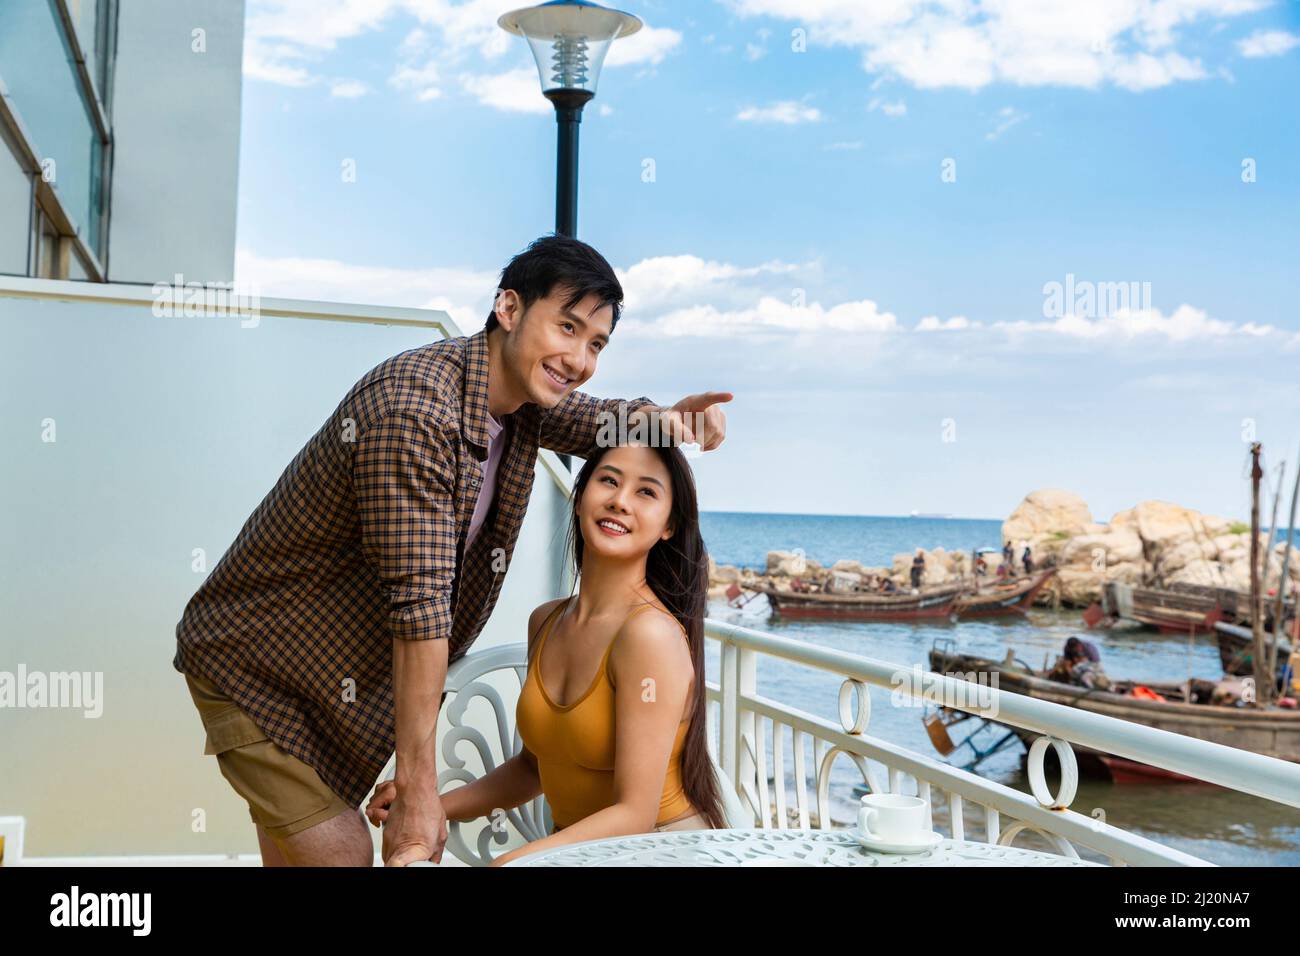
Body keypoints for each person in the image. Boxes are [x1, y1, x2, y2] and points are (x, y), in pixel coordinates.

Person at [173, 235, 733, 867]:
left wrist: (670, 420)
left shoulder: (521, 403)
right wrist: (419, 794)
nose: (577, 359)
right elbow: (420, 612)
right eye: (567, 327)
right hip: (258, 662)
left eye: (596, 343)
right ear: (510, 308)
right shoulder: (417, 411)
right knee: (341, 852)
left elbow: (599, 422)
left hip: (325, 681)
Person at [366, 439, 729, 863]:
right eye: (608, 481)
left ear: (669, 524)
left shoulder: (648, 636)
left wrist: (513, 862)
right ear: (579, 500)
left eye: (646, 492)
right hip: (581, 853)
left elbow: (635, 814)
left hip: (660, 850)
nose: (619, 501)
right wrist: (427, 807)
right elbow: (534, 768)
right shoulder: (547, 621)